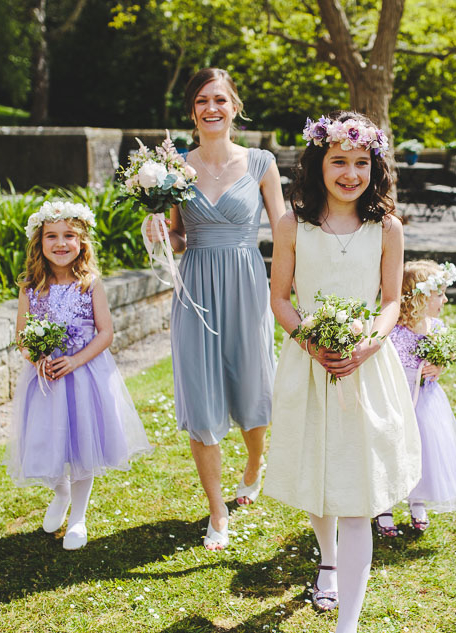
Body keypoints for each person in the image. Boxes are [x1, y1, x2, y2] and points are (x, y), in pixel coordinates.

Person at [265, 111, 421, 633]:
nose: (350, 173)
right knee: (318, 474)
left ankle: (347, 624)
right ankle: (326, 557)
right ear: (319, 163)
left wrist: (369, 344)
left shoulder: (387, 227)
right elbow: (280, 299)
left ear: (375, 167)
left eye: (361, 162)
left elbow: (393, 301)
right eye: (339, 161)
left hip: (366, 368)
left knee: (358, 493)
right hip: (310, 367)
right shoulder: (293, 225)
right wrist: (311, 339)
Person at [146, 68, 285, 550]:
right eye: (203, 100)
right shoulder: (174, 169)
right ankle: (217, 511)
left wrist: (288, 291)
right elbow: (179, 233)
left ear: (235, 107)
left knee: (254, 386)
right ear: (192, 111)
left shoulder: (262, 163)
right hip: (195, 288)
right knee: (201, 396)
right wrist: (163, 235)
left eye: (220, 100)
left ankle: (254, 463)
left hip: (247, 284)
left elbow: (284, 231)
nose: (212, 108)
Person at [5, 200, 152, 550]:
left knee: (83, 444)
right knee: (48, 441)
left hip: (84, 375)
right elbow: (21, 336)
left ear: (82, 242)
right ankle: (60, 494)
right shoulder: (30, 286)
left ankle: (79, 516)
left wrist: (75, 361)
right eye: (51, 236)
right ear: (39, 243)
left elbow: (105, 333)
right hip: (45, 380)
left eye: (69, 235)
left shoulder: (90, 283)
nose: (60, 243)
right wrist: (35, 356)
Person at [373, 260, 456, 537]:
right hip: (398, 401)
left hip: (427, 404)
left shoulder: (436, 327)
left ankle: (417, 499)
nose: (445, 299)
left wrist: (439, 366)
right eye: (439, 293)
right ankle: (384, 505)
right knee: (393, 451)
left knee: (424, 452)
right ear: (419, 296)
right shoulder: (394, 331)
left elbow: (442, 358)